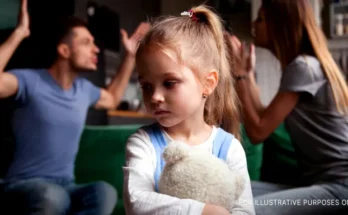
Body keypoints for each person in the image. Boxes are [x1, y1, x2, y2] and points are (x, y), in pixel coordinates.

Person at [0, 0, 150, 214]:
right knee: (53, 197)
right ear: (64, 50)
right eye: (87, 42)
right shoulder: (29, 81)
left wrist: (130, 56)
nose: (96, 49)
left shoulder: (84, 89)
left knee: (104, 192)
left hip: (66, 185)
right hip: (22, 184)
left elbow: (112, 99)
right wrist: (19, 33)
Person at [123, 5, 255, 215]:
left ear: (208, 83)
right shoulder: (143, 143)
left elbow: (245, 211)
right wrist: (204, 211)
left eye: (169, 83)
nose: (155, 97)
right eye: (147, 86)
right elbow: (137, 201)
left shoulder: (229, 148)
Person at [228, 0, 348, 214]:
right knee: (229, 193)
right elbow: (262, 114)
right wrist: (246, 73)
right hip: (320, 184)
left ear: (279, 25)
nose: (254, 25)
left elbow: (258, 131)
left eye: (261, 19)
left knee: (251, 210)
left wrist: (239, 75)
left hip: (340, 188)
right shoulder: (302, 66)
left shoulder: (303, 67)